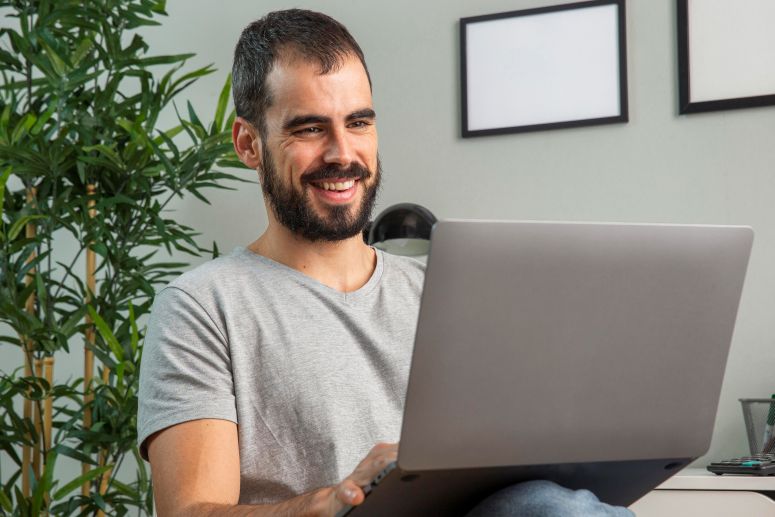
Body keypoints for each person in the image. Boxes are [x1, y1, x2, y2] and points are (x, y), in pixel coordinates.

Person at [137, 9, 633, 517]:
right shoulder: (202, 307)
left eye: (358, 122)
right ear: (249, 144)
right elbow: (189, 511)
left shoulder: (443, 293)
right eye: (309, 128)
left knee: (550, 505)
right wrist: (328, 504)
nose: (342, 153)